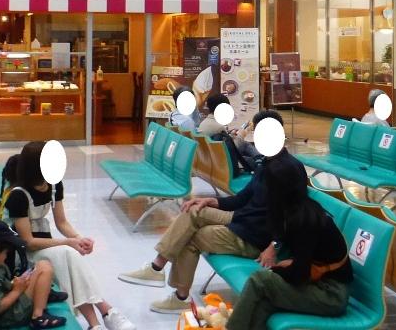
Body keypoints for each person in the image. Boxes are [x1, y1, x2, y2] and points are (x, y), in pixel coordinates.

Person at [118, 112, 293, 313]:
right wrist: (212, 201)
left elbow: (292, 214)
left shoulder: (288, 170)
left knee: (192, 237)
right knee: (194, 209)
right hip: (242, 219)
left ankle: (179, 296)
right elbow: (242, 198)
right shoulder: (266, 163)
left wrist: (273, 245)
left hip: (254, 238)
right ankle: (156, 268)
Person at [3, 142, 135, 330]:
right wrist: (67, 242)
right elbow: (28, 242)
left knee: (68, 258)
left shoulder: (54, 185)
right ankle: (106, 312)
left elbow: (62, 222)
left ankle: (97, 323)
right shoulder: (18, 196)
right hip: (23, 255)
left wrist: (79, 238)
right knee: (66, 254)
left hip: (45, 246)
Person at [225, 154, 352, 330]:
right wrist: (290, 264)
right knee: (263, 303)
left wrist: (278, 269)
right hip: (317, 282)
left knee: (260, 280)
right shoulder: (294, 211)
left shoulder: (303, 220)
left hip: (331, 294)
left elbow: (299, 275)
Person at [0, 219, 68, 329]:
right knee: (44, 268)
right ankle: (38, 317)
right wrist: (17, 291)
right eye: (5, 252)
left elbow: (1, 287)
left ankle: (42, 293)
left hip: (10, 304)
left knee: (39, 268)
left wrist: (16, 285)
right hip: (11, 316)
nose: (6, 256)